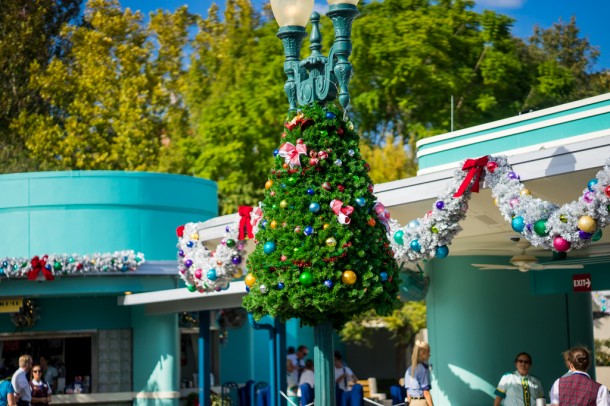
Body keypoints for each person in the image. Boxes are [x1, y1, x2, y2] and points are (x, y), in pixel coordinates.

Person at [404, 340, 433, 406]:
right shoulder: (423, 369)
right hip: (421, 402)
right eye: (428, 352)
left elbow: (408, 392)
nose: (430, 355)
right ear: (423, 354)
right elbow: (426, 392)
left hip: (412, 403)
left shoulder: (409, 370)